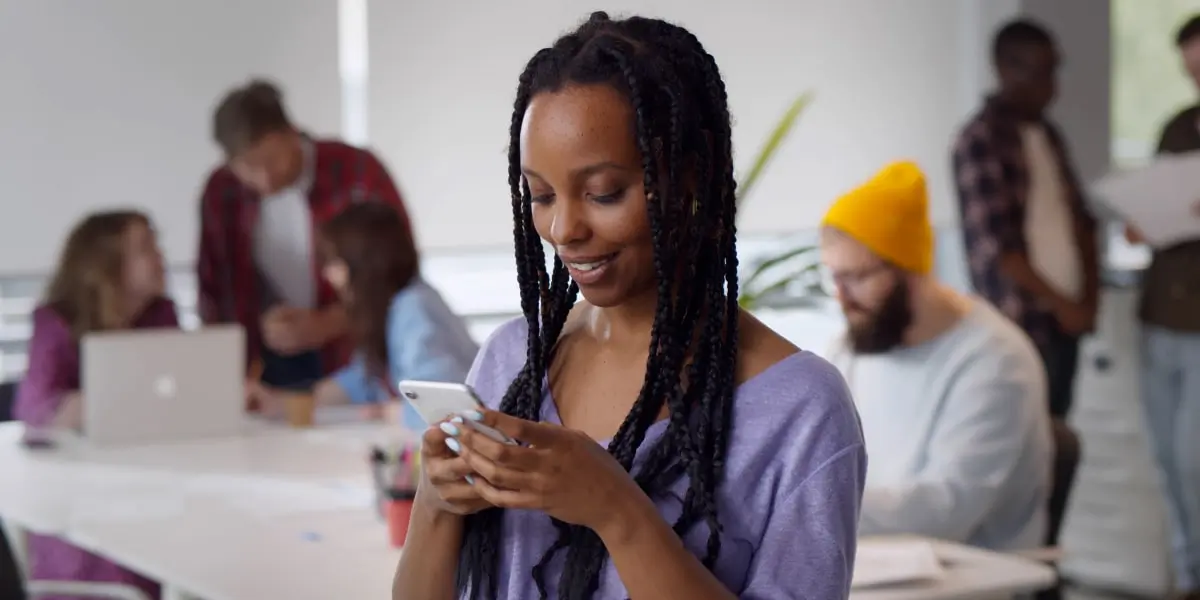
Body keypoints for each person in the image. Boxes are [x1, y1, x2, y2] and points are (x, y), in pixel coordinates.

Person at [393, 12, 865, 600]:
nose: (564, 228)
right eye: (540, 195)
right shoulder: (512, 360)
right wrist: (436, 506)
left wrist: (616, 510)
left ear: (690, 178)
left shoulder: (802, 410)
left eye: (603, 193)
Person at [821, 161, 1051, 551]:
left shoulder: (996, 361)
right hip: (873, 565)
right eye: (834, 277)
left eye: (857, 277)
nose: (841, 298)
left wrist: (813, 505)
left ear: (908, 271)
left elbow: (948, 511)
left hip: (972, 579)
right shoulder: (854, 346)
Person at [196, 78, 412, 405]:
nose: (264, 178)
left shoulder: (357, 171)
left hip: (352, 361)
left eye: (272, 160)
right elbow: (213, 291)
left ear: (292, 133)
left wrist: (330, 322)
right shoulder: (221, 192)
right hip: (262, 368)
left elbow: (400, 273)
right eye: (249, 168)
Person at [14, 210, 177, 599]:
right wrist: (124, 390)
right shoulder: (55, 322)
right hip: (83, 497)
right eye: (145, 249)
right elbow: (37, 410)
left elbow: (175, 396)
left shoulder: (160, 314)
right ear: (107, 263)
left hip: (155, 478)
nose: (160, 258)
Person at [952, 19, 1100, 420]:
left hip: (1066, 322)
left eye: (1053, 70)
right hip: (1021, 325)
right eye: (1037, 71)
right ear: (1004, 69)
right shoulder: (981, 139)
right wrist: (1064, 305)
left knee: (1060, 438)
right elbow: (1000, 249)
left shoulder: (1048, 134)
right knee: (1025, 444)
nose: (1049, 84)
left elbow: (1081, 222)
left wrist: (1087, 301)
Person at [1125, 15, 1200, 598]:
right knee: (1169, 465)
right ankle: (1186, 578)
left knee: (1195, 459)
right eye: (1189, 70)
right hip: (1161, 315)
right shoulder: (1177, 127)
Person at [302, 202, 478, 430]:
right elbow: (361, 379)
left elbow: (445, 409)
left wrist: (389, 412)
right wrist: (285, 403)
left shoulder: (413, 309)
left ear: (363, 266)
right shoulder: (391, 309)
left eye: (335, 263)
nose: (329, 276)